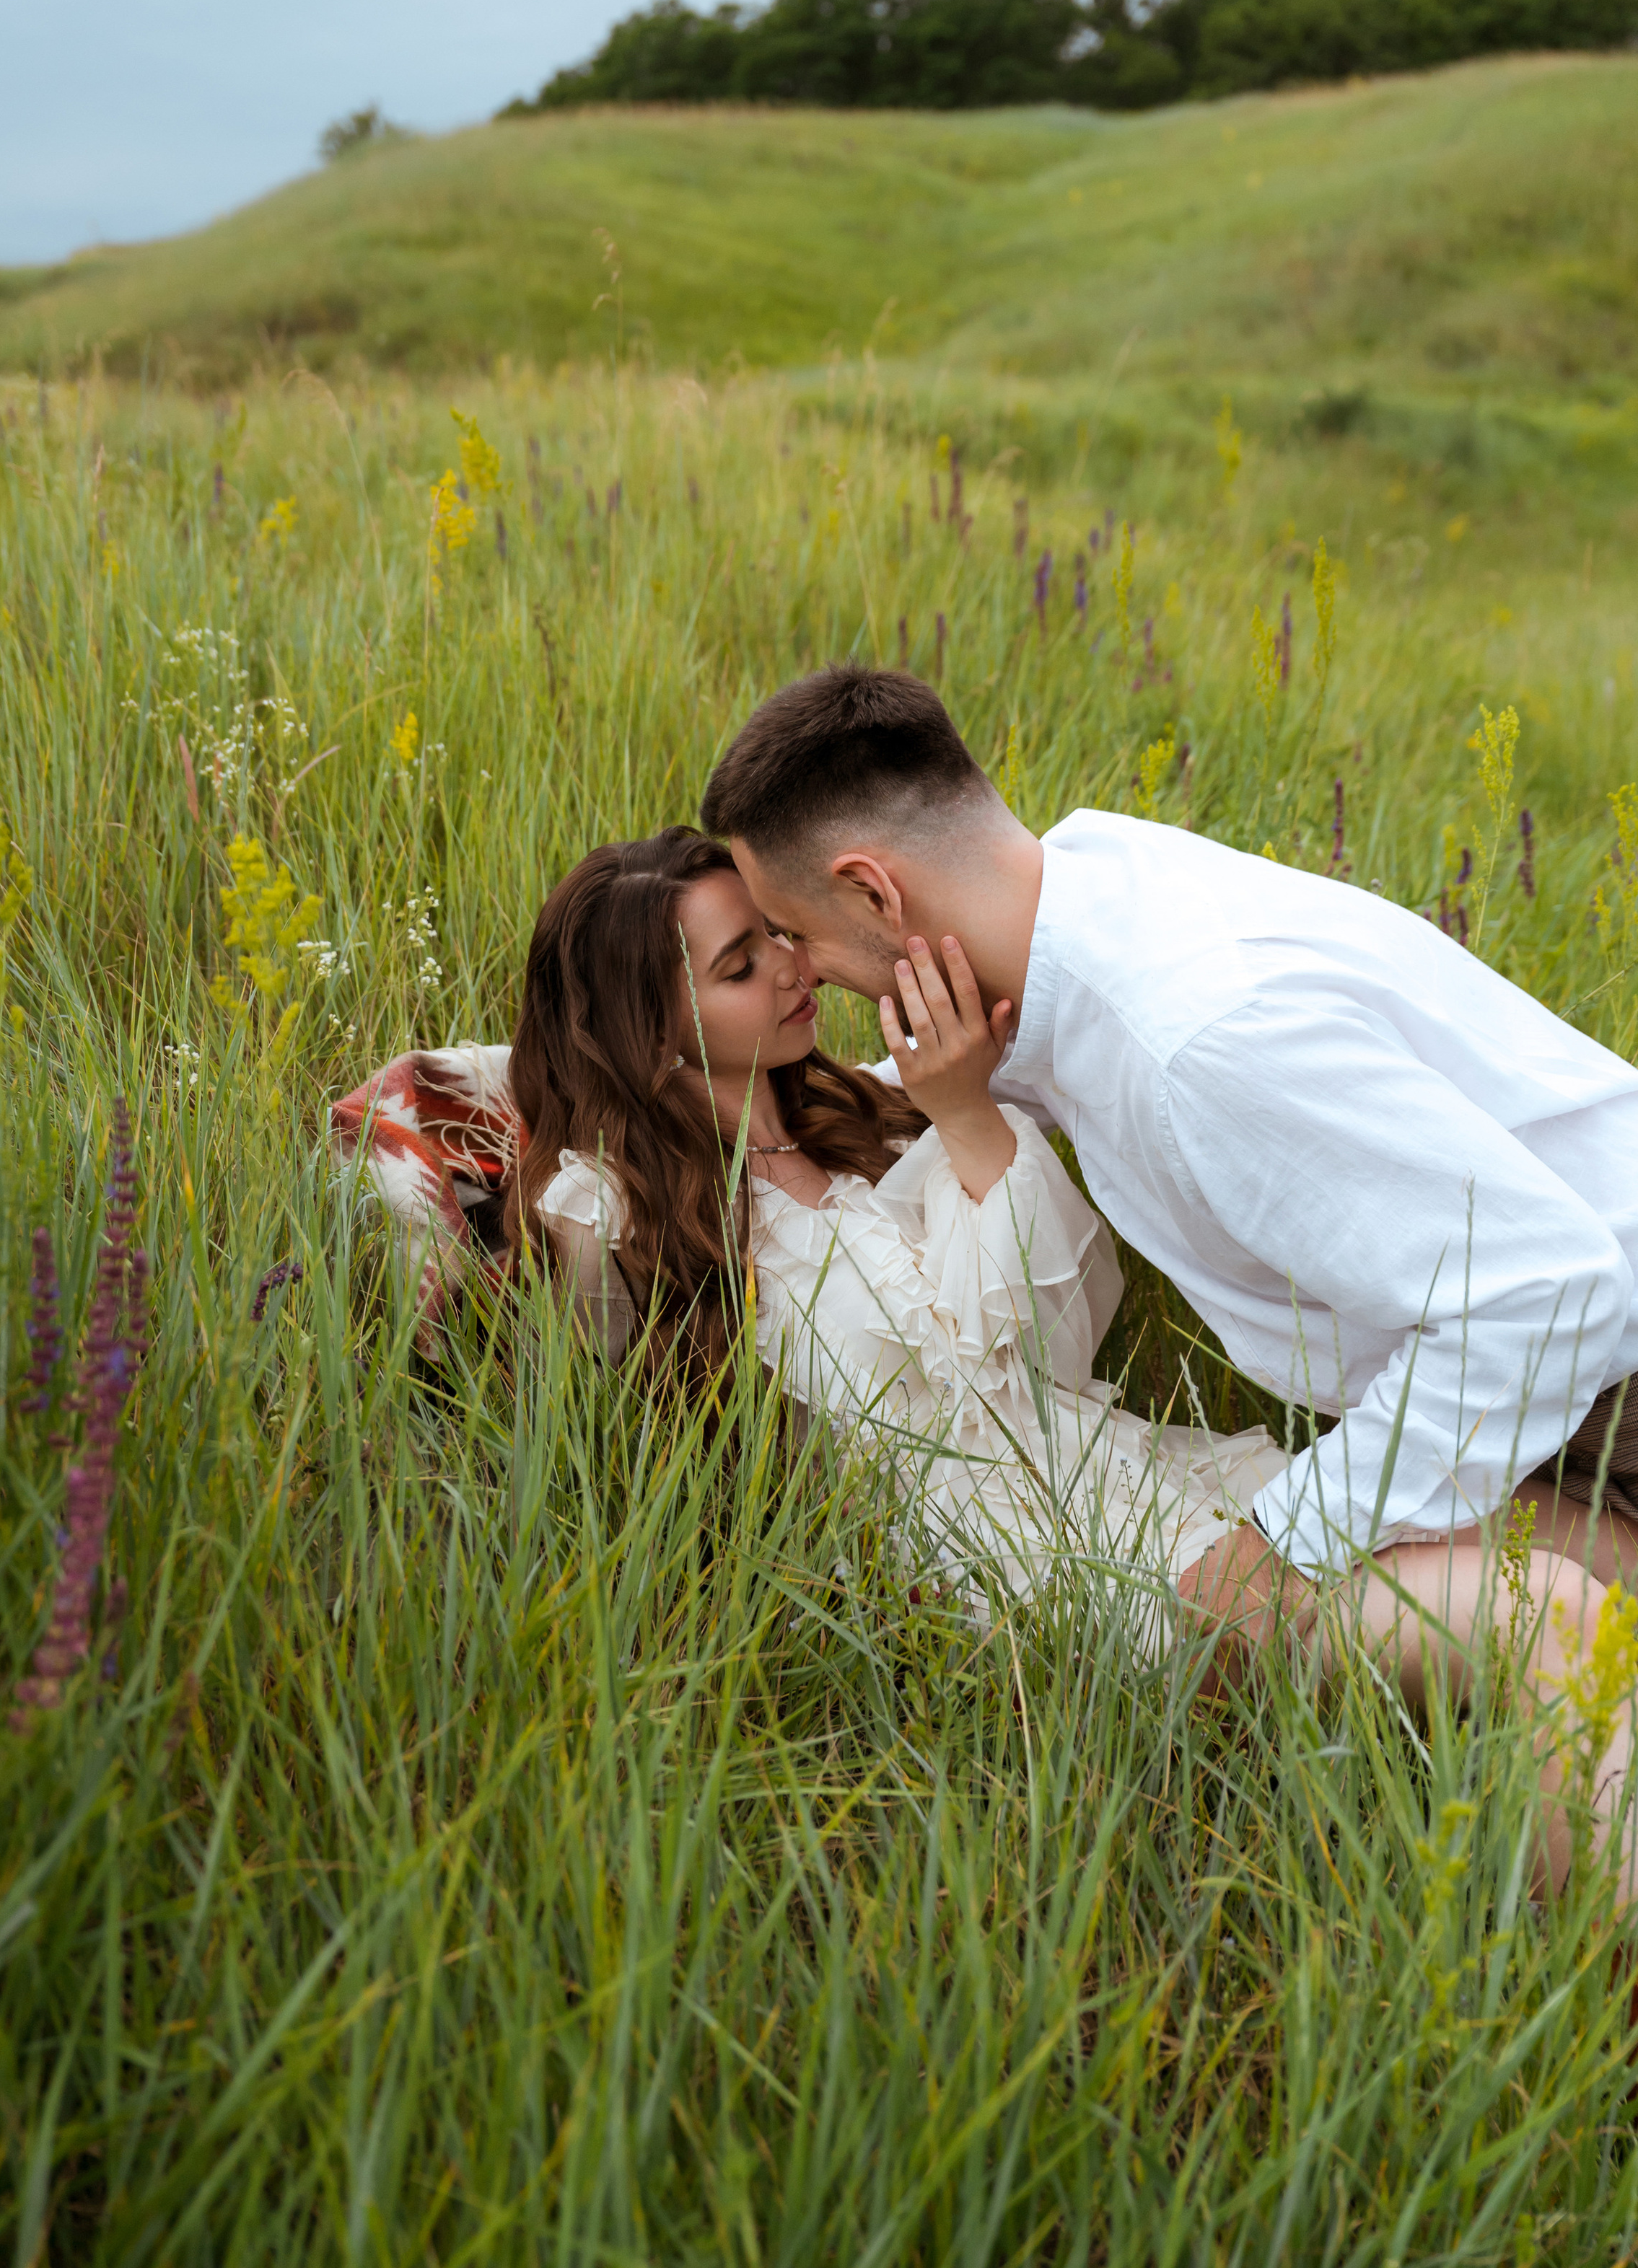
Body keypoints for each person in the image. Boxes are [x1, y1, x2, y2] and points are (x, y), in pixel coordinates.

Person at [691, 661, 1638, 1900]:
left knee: (1573, 1645)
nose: (808, 970)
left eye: (801, 932)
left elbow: (1548, 1295)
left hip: (1600, 1359)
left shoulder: (1194, 1042)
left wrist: (1281, 1545)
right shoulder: (1085, 888)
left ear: (875, 888)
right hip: (1562, 1387)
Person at [497, 825, 1292, 1653]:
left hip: (1100, 1474)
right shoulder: (611, 1210)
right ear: (650, 1036)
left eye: (775, 932)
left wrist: (963, 1110)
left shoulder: (865, 1123)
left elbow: (1053, 1358)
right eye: (738, 966)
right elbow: (568, 1422)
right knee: (1327, 1617)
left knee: (1384, 1539)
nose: (788, 964)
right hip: (982, 1575)